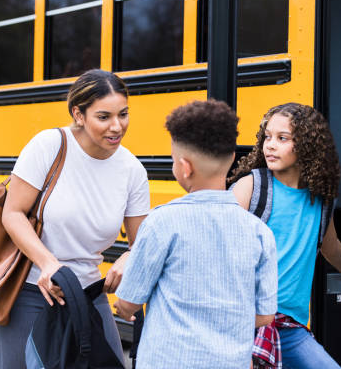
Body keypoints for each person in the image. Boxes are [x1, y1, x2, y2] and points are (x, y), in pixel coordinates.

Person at [0, 69, 150, 369]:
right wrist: (49, 263)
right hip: (28, 291)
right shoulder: (48, 146)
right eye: (104, 117)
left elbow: (141, 241)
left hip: (89, 293)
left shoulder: (131, 170)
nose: (117, 126)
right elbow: (12, 214)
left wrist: (131, 256)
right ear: (79, 114)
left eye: (123, 114)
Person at [114, 100, 278, 369]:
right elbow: (264, 315)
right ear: (232, 159)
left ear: (184, 167)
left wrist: (124, 308)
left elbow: (129, 300)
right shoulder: (259, 232)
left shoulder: (162, 221)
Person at [229, 102, 341, 369]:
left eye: (282, 139)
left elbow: (330, 245)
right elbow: (217, 245)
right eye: (267, 137)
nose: (270, 145)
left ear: (307, 146)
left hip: (288, 326)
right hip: (243, 319)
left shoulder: (321, 200)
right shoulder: (253, 187)